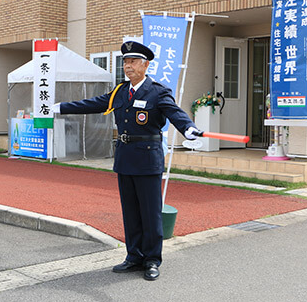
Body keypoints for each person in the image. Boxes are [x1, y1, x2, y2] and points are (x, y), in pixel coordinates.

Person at [52, 41, 199, 281]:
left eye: (132, 62)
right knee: (130, 212)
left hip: (148, 158)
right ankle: (134, 256)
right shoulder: (121, 91)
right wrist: (61, 107)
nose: (127, 66)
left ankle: (152, 259)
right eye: (125, 62)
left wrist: (189, 128)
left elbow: (174, 112)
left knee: (150, 213)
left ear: (145, 65)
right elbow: (95, 103)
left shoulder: (158, 91)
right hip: (125, 157)